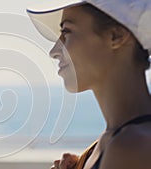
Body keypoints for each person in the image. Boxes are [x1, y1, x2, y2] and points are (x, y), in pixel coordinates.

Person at [27, 1, 151, 169]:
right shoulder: (107, 144)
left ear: (116, 36)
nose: (54, 51)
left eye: (66, 32)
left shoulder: (133, 146)